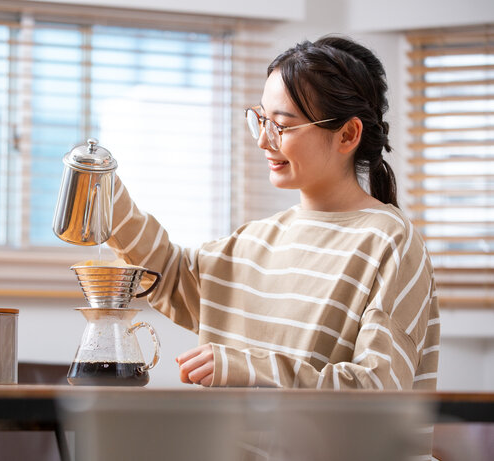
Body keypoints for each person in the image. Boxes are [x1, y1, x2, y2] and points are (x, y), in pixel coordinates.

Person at [106, 35, 439, 390]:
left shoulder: (391, 242)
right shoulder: (257, 240)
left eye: (281, 125)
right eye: (261, 120)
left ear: (347, 135)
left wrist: (248, 369)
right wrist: (104, 198)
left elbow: (379, 391)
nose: (264, 141)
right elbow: (171, 276)